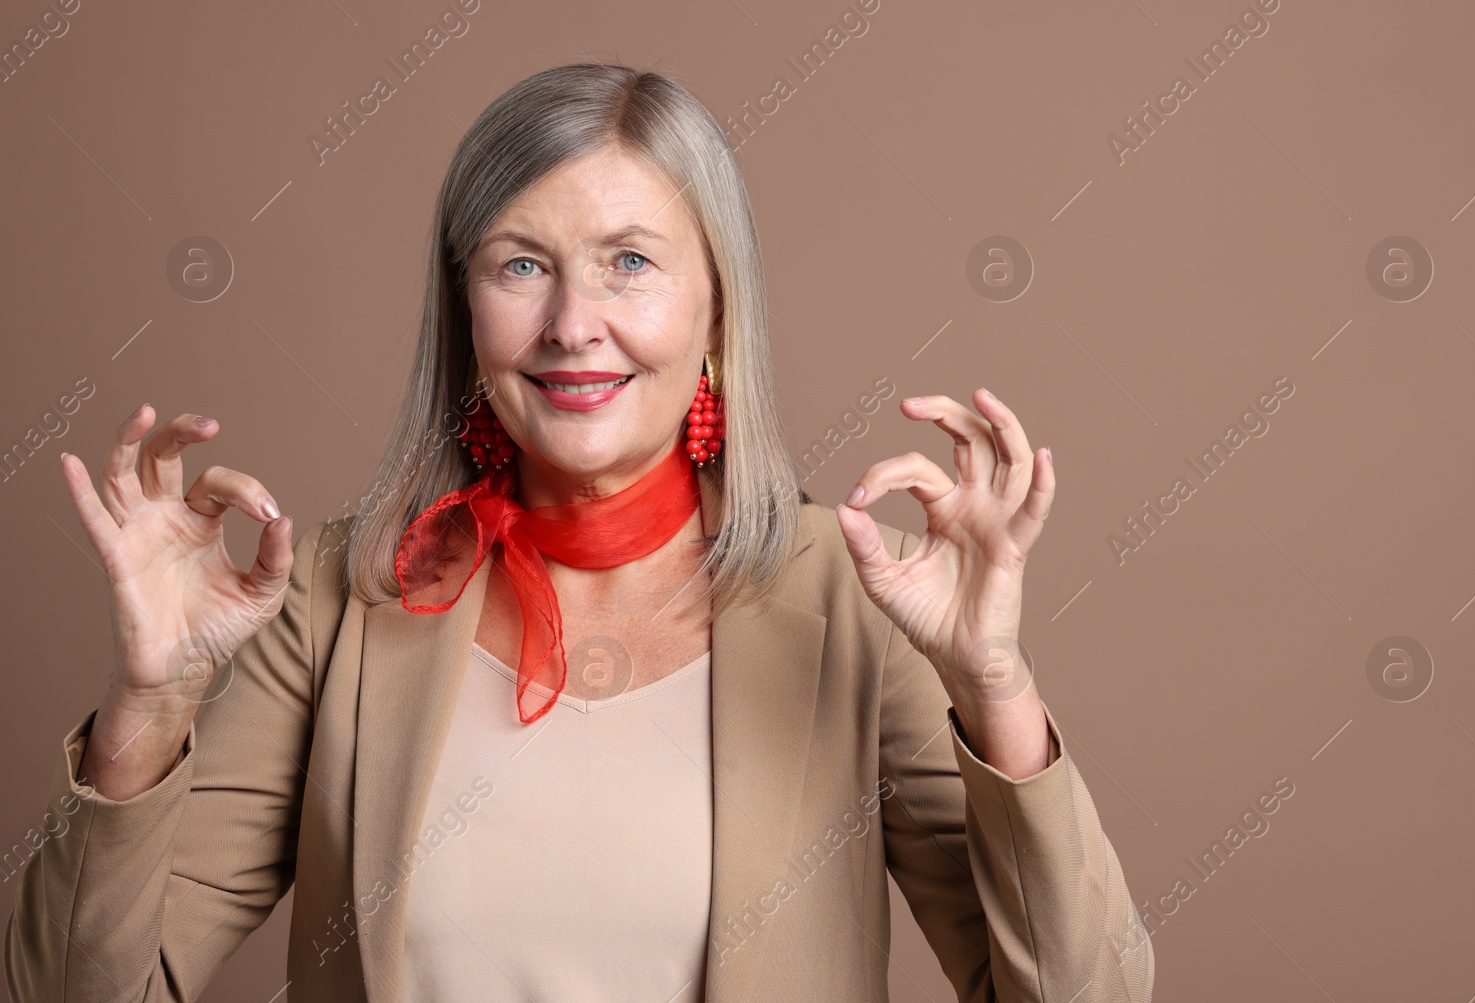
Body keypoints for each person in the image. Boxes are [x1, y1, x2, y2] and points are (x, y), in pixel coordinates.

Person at [5, 62, 1153, 1002]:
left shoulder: (855, 602)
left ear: (715, 308)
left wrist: (992, 684)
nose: (571, 325)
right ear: (465, 309)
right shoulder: (333, 594)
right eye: (521, 265)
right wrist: (150, 701)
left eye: (631, 263)